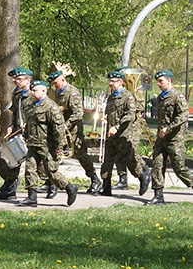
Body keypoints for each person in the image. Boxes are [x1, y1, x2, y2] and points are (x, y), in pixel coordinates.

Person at [17, 80, 79, 207]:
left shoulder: (51, 107)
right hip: (33, 144)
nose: (32, 93)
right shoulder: (30, 105)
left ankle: (70, 187)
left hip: (47, 146)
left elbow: (59, 129)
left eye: (35, 91)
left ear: (44, 91)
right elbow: (30, 124)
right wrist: (26, 136)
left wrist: (59, 147)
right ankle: (32, 198)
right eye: (32, 91)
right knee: (30, 170)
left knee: (51, 172)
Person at [98, 69, 151, 197]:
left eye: (113, 81)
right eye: (110, 81)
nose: (111, 84)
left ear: (121, 82)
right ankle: (106, 187)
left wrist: (116, 127)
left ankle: (142, 177)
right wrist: (105, 118)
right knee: (107, 161)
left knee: (130, 160)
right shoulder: (111, 97)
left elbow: (130, 115)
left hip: (123, 135)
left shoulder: (128, 97)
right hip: (111, 136)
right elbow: (110, 112)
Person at [48, 70, 101, 194]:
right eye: (53, 84)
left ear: (62, 79)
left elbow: (78, 113)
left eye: (56, 83)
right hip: (62, 130)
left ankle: (95, 179)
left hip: (73, 131)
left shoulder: (72, 92)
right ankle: (51, 182)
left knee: (81, 155)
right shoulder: (58, 92)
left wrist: (66, 125)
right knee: (55, 152)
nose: (54, 85)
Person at [146, 69, 193, 204]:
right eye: (158, 82)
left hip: (174, 139)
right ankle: (158, 195)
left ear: (169, 81)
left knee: (179, 169)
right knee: (157, 165)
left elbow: (184, 115)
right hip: (161, 139)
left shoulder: (177, 96)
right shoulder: (160, 98)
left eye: (161, 81)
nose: (159, 84)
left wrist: (169, 128)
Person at [0, 66, 33, 200]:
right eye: (15, 79)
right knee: (13, 158)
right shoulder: (17, 94)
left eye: (19, 79)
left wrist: (29, 124)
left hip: (32, 132)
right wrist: (12, 124)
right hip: (18, 130)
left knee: (39, 161)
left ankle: (53, 183)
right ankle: (10, 187)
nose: (16, 81)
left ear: (28, 80)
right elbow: (16, 112)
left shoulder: (33, 94)